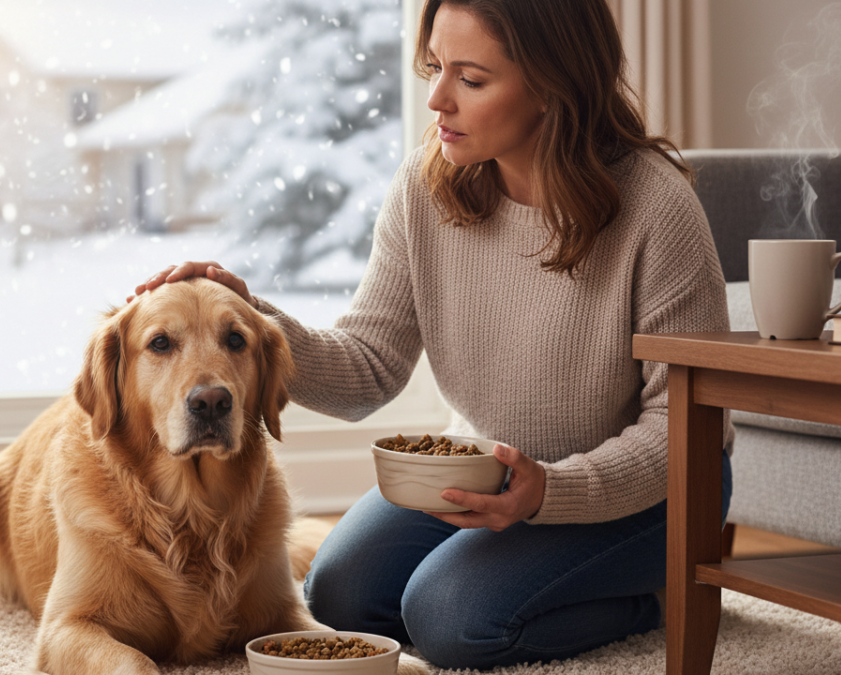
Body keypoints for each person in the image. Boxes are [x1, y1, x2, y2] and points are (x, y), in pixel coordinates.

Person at [133, 0, 732, 668]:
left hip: (657, 492)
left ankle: (652, 597)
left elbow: (685, 428)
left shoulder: (657, 209)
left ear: (552, 85)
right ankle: (525, 579)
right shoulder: (429, 186)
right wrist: (252, 320)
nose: (437, 100)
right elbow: (366, 367)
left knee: (450, 619)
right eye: (435, 68)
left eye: (471, 80)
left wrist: (551, 494)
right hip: (493, 473)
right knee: (336, 593)